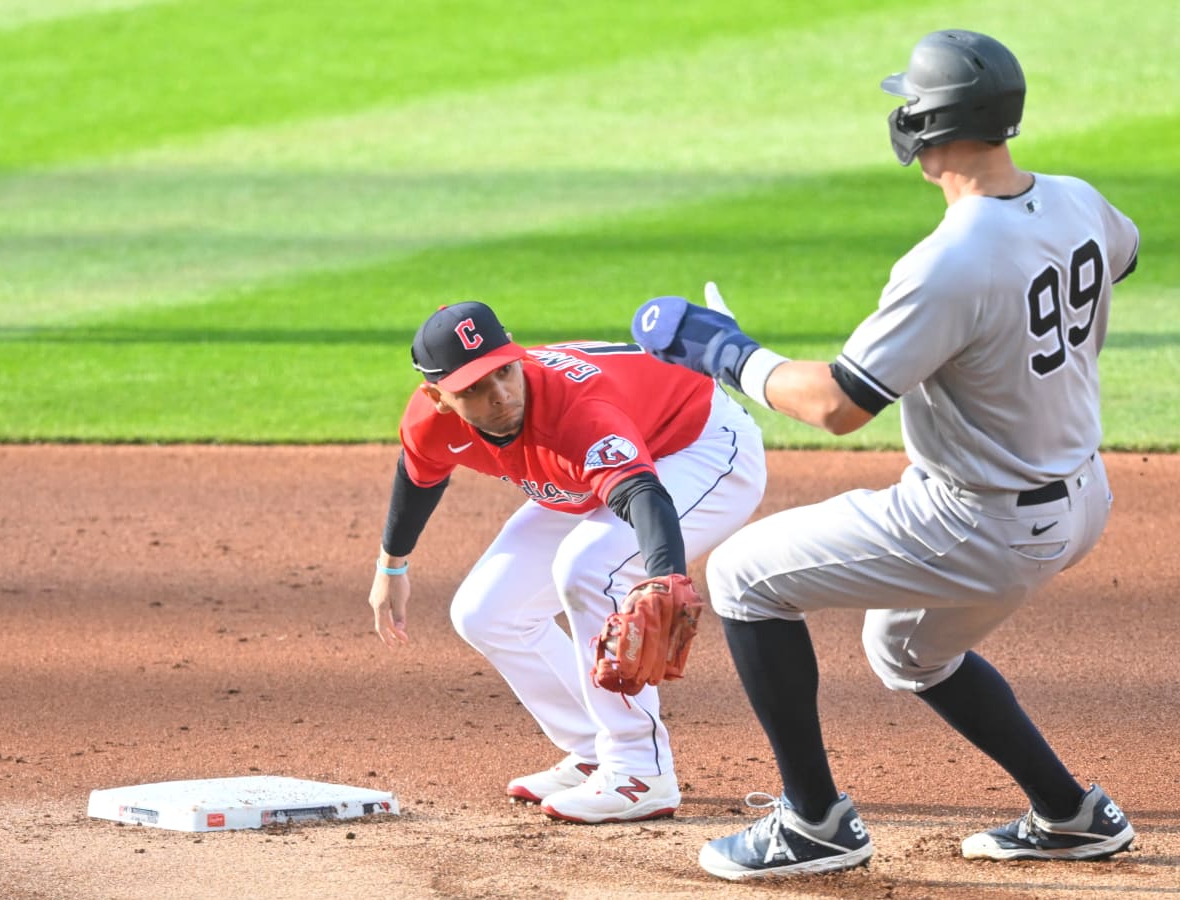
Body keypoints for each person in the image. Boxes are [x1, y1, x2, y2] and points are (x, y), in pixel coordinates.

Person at [631, 29, 1139, 879]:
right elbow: (1117, 260)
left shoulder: (950, 260)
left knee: (744, 577)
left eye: (909, 100)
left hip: (977, 517)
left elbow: (836, 405)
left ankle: (814, 824)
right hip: (1081, 496)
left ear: (930, 122)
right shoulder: (1077, 199)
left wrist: (723, 350)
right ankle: (1071, 814)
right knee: (906, 650)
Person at [370, 300, 766, 823]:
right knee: (486, 611)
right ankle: (593, 752)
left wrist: (664, 578)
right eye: (472, 389)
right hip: (592, 468)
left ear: (515, 357)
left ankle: (639, 772)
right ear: (436, 397)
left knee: (590, 568)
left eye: (504, 372)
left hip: (699, 446)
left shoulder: (574, 409)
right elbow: (419, 474)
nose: (501, 395)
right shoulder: (430, 422)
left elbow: (642, 495)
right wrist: (391, 566)